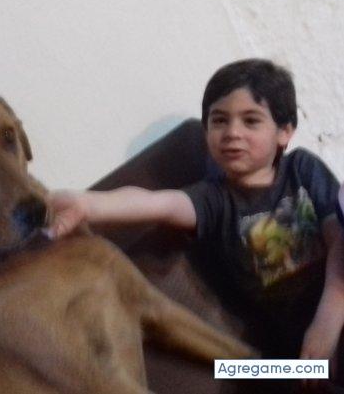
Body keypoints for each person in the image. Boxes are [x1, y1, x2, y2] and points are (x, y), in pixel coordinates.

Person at [44, 59, 344, 368]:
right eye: (219, 121)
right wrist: (89, 203)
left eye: (250, 121)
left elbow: (340, 243)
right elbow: (159, 203)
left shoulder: (302, 169)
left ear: (284, 132)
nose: (232, 132)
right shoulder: (214, 200)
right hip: (293, 352)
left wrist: (330, 318)